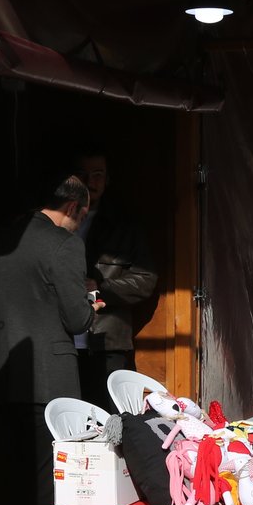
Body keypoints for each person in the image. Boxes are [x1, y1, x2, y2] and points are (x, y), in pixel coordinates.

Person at [0, 172, 103, 505]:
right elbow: (75, 319)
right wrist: (90, 305)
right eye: (82, 216)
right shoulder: (63, 244)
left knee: (3, 481)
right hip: (48, 384)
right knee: (44, 483)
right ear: (72, 208)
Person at [73, 150, 157, 409]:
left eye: (98, 174)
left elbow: (146, 279)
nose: (90, 182)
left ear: (108, 179)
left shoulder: (123, 226)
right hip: (63, 343)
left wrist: (101, 288)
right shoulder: (57, 224)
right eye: (83, 174)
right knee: (71, 418)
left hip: (107, 342)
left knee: (112, 418)